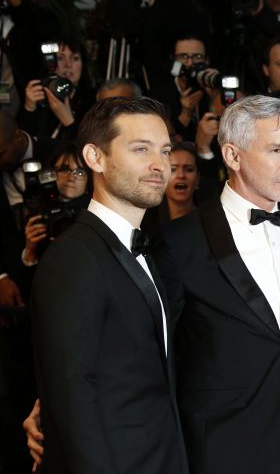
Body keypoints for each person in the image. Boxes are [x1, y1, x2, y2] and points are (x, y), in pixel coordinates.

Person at [153, 95, 280, 474]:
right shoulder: (180, 242)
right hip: (220, 446)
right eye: (276, 150)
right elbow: (149, 351)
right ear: (232, 155)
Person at [31, 96, 188, 473]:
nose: (159, 165)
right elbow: (72, 393)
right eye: (141, 149)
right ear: (95, 158)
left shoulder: (151, 250)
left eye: (165, 151)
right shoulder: (74, 257)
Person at [22, 143, 91, 266]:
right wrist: (30, 251)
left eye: (80, 172)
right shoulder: (38, 211)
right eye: (64, 169)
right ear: (50, 173)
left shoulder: (95, 215)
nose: (71, 177)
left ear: (89, 180)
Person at [18, 38, 95, 141]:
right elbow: (21, 142)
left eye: (75, 58)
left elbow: (91, 145)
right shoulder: (41, 94)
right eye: (60, 58)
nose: (68, 64)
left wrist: (69, 121)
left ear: (83, 64)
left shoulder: (93, 100)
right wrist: (29, 108)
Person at [141, 141, 199, 236]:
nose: (181, 175)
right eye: (173, 169)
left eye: (189, 169)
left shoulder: (211, 219)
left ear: (197, 179)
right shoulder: (146, 222)